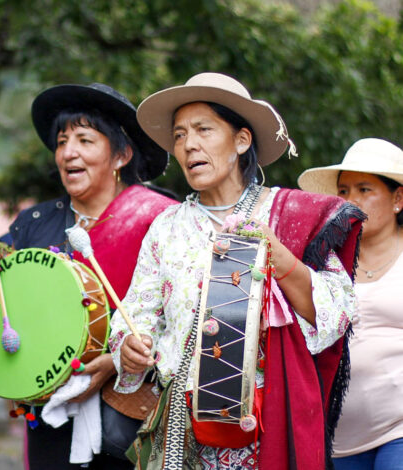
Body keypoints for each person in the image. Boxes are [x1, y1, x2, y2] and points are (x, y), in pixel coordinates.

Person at [114, 72, 364, 469]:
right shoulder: (167, 226)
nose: (188, 144)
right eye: (179, 135)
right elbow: (137, 312)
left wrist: (283, 263)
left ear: (242, 140)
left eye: (203, 130)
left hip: (264, 427)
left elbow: (338, 312)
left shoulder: (287, 215)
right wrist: (129, 344)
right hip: (184, 427)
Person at [0, 83, 176, 469]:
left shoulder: (160, 220)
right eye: (62, 141)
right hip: (50, 413)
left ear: (121, 155)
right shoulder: (34, 222)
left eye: (85, 139)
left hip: (131, 415)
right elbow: (0, 305)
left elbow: (184, 317)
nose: (68, 152)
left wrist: (117, 361)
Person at [298, 138, 403, 470]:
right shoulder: (323, 261)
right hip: (339, 439)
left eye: (364, 189)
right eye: (343, 191)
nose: (351, 202)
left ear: (398, 199)